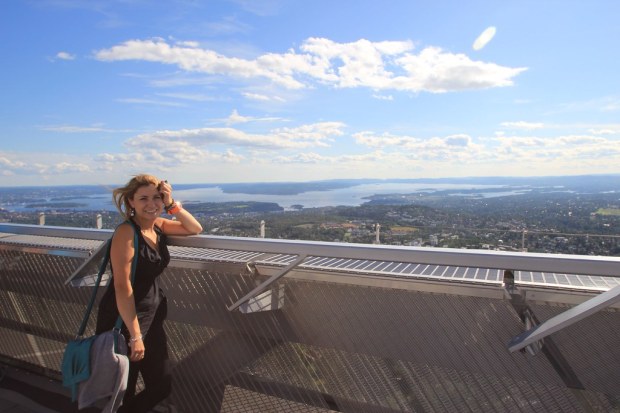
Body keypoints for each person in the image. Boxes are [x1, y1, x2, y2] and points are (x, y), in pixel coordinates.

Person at [95, 174, 202, 412]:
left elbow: (194, 228)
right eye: (143, 198)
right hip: (125, 321)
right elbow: (123, 287)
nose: (152, 204)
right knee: (123, 389)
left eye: (157, 198)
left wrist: (172, 203)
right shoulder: (126, 232)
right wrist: (135, 335)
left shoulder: (158, 226)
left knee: (161, 385)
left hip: (151, 319)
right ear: (131, 202)